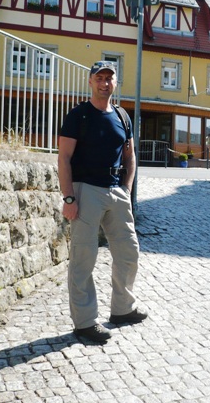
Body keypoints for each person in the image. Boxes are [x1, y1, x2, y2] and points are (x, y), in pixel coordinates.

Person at [58, 61, 147, 343]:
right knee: (84, 258)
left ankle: (122, 309)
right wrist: (69, 197)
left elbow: (130, 156)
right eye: (99, 78)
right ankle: (85, 322)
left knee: (129, 252)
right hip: (86, 191)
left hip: (116, 191)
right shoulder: (78, 116)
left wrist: (126, 190)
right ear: (90, 82)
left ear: (115, 83)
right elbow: (64, 158)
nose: (104, 83)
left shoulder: (122, 116)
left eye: (109, 78)